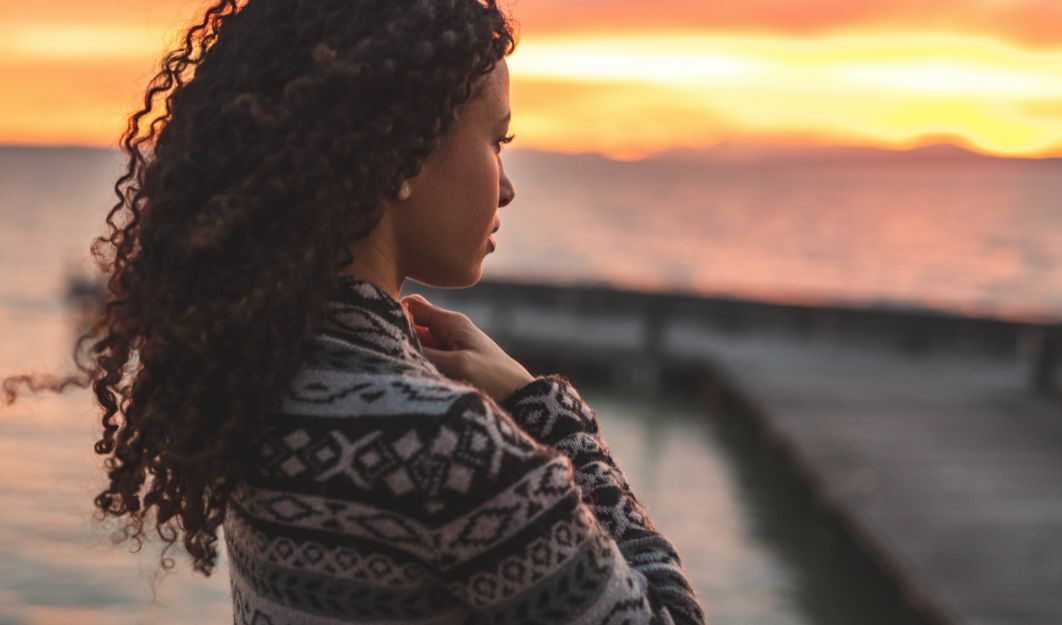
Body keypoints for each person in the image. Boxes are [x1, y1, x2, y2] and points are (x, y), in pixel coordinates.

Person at [0, 0, 706, 623]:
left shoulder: (258, 380)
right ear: (403, 152)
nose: (509, 186)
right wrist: (542, 405)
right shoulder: (455, 449)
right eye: (498, 140)